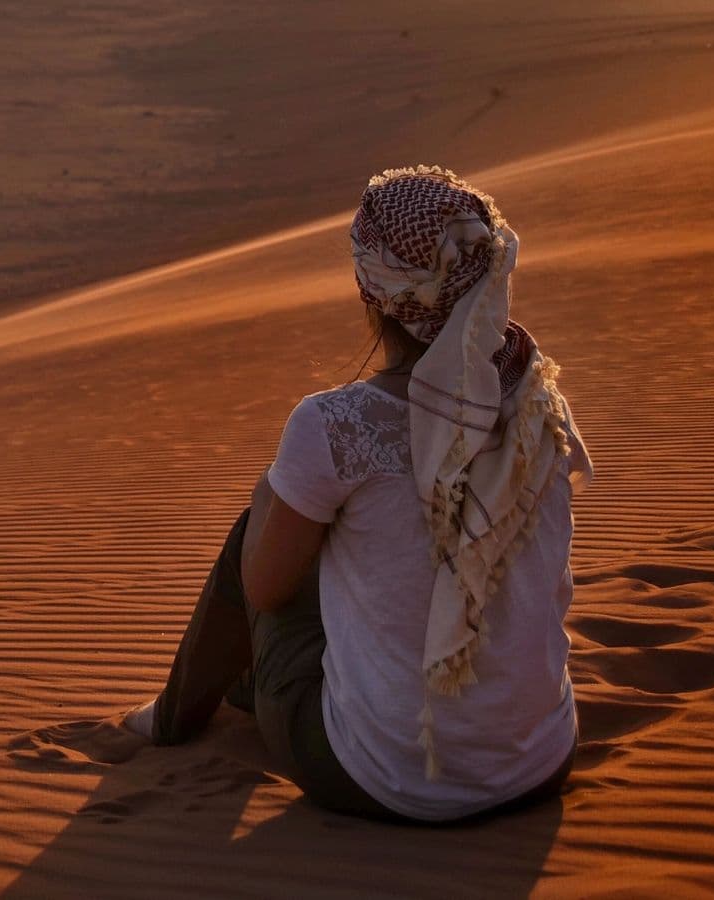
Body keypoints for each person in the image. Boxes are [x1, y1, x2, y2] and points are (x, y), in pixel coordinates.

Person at [122, 165, 593, 824]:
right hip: (538, 763)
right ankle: (244, 687)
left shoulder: (338, 424)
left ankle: (174, 718)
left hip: (386, 777)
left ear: (372, 294)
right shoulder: (540, 402)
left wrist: (275, 486)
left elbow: (263, 590)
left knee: (255, 535)